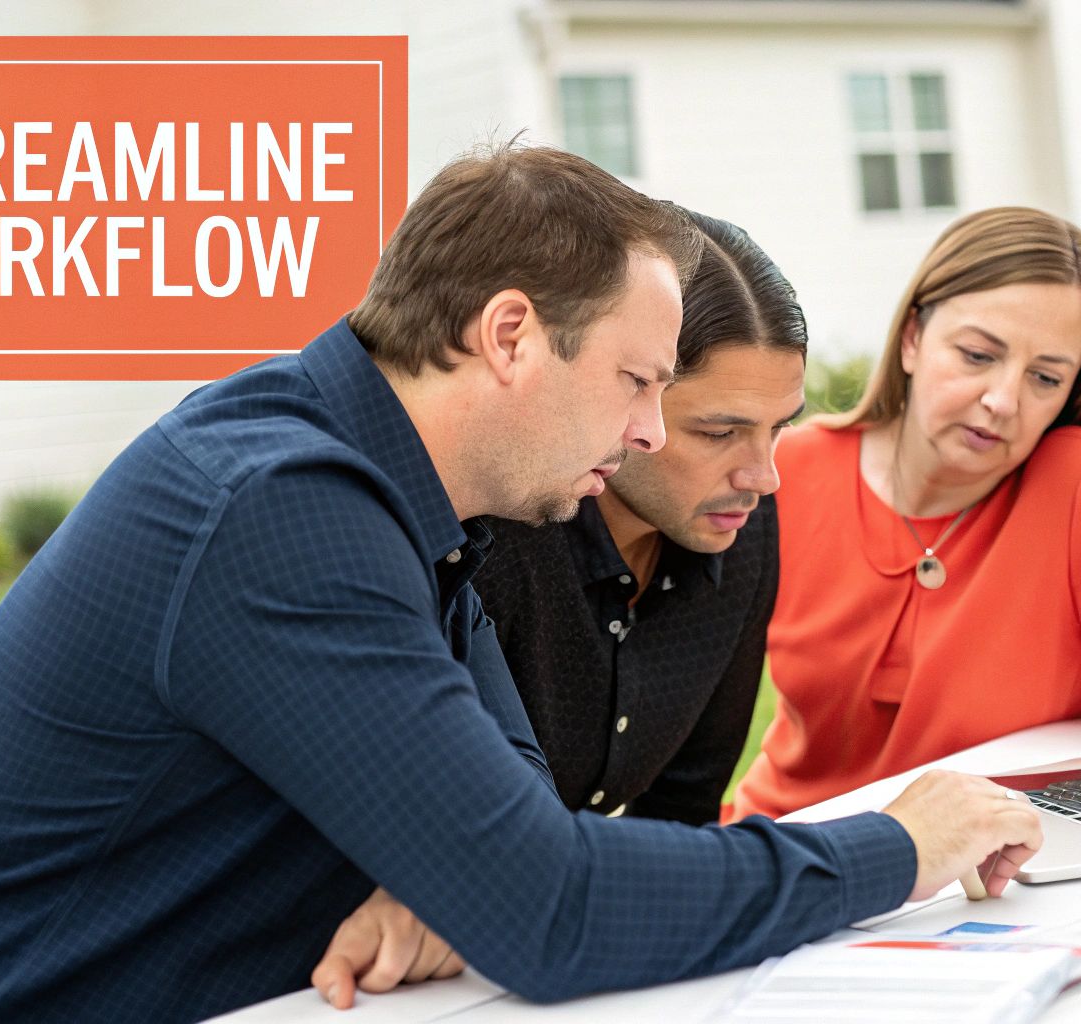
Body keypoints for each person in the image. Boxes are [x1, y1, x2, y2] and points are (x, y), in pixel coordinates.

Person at [0, 145, 1040, 1024]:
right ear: (508, 335)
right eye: (634, 381)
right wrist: (890, 849)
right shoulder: (281, 510)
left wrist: (469, 879)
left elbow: (516, 840)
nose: (645, 434)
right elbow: (550, 908)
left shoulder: (405, 496)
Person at [310, 209, 808, 1008]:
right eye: (719, 431)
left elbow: (682, 820)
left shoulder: (739, 528)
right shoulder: (486, 532)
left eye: (780, 430)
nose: (763, 475)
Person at [729, 206, 1081, 823]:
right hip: (786, 851)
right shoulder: (791, 472)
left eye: (1045, 377)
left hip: (995, 879)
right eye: (978, 356)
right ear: (913, 339)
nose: (1003, 400)